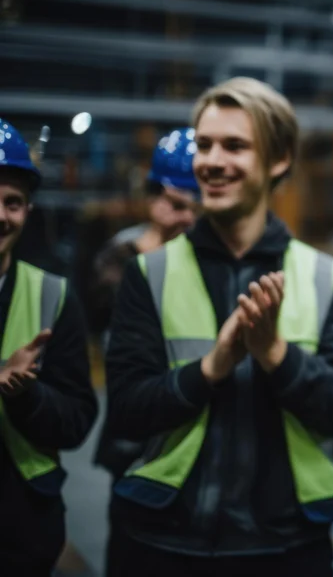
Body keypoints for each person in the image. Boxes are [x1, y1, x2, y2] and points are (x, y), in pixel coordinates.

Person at [104, 77, 333, 577]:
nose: (211, 161)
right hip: (161, 542)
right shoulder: (149, 273)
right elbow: (126, 411)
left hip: (288, 549)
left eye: (234, 145)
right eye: (204, 144)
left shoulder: (321, 275)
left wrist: (274, 353)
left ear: (279, 160)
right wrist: (213, 366)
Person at [0, 119, 98, 576]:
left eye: (12, 202)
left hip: (23, 530)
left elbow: (78, 420)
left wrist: (27, 395)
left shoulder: (53, 298)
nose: (1, 214)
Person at [92, 127, 200, 473]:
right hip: (136, 417)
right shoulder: (124, 253)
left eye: (194, 207)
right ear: (154, 199)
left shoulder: (205, 255)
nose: (187, 218)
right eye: (177, 204)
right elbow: (107, 316)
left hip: (191, 408)